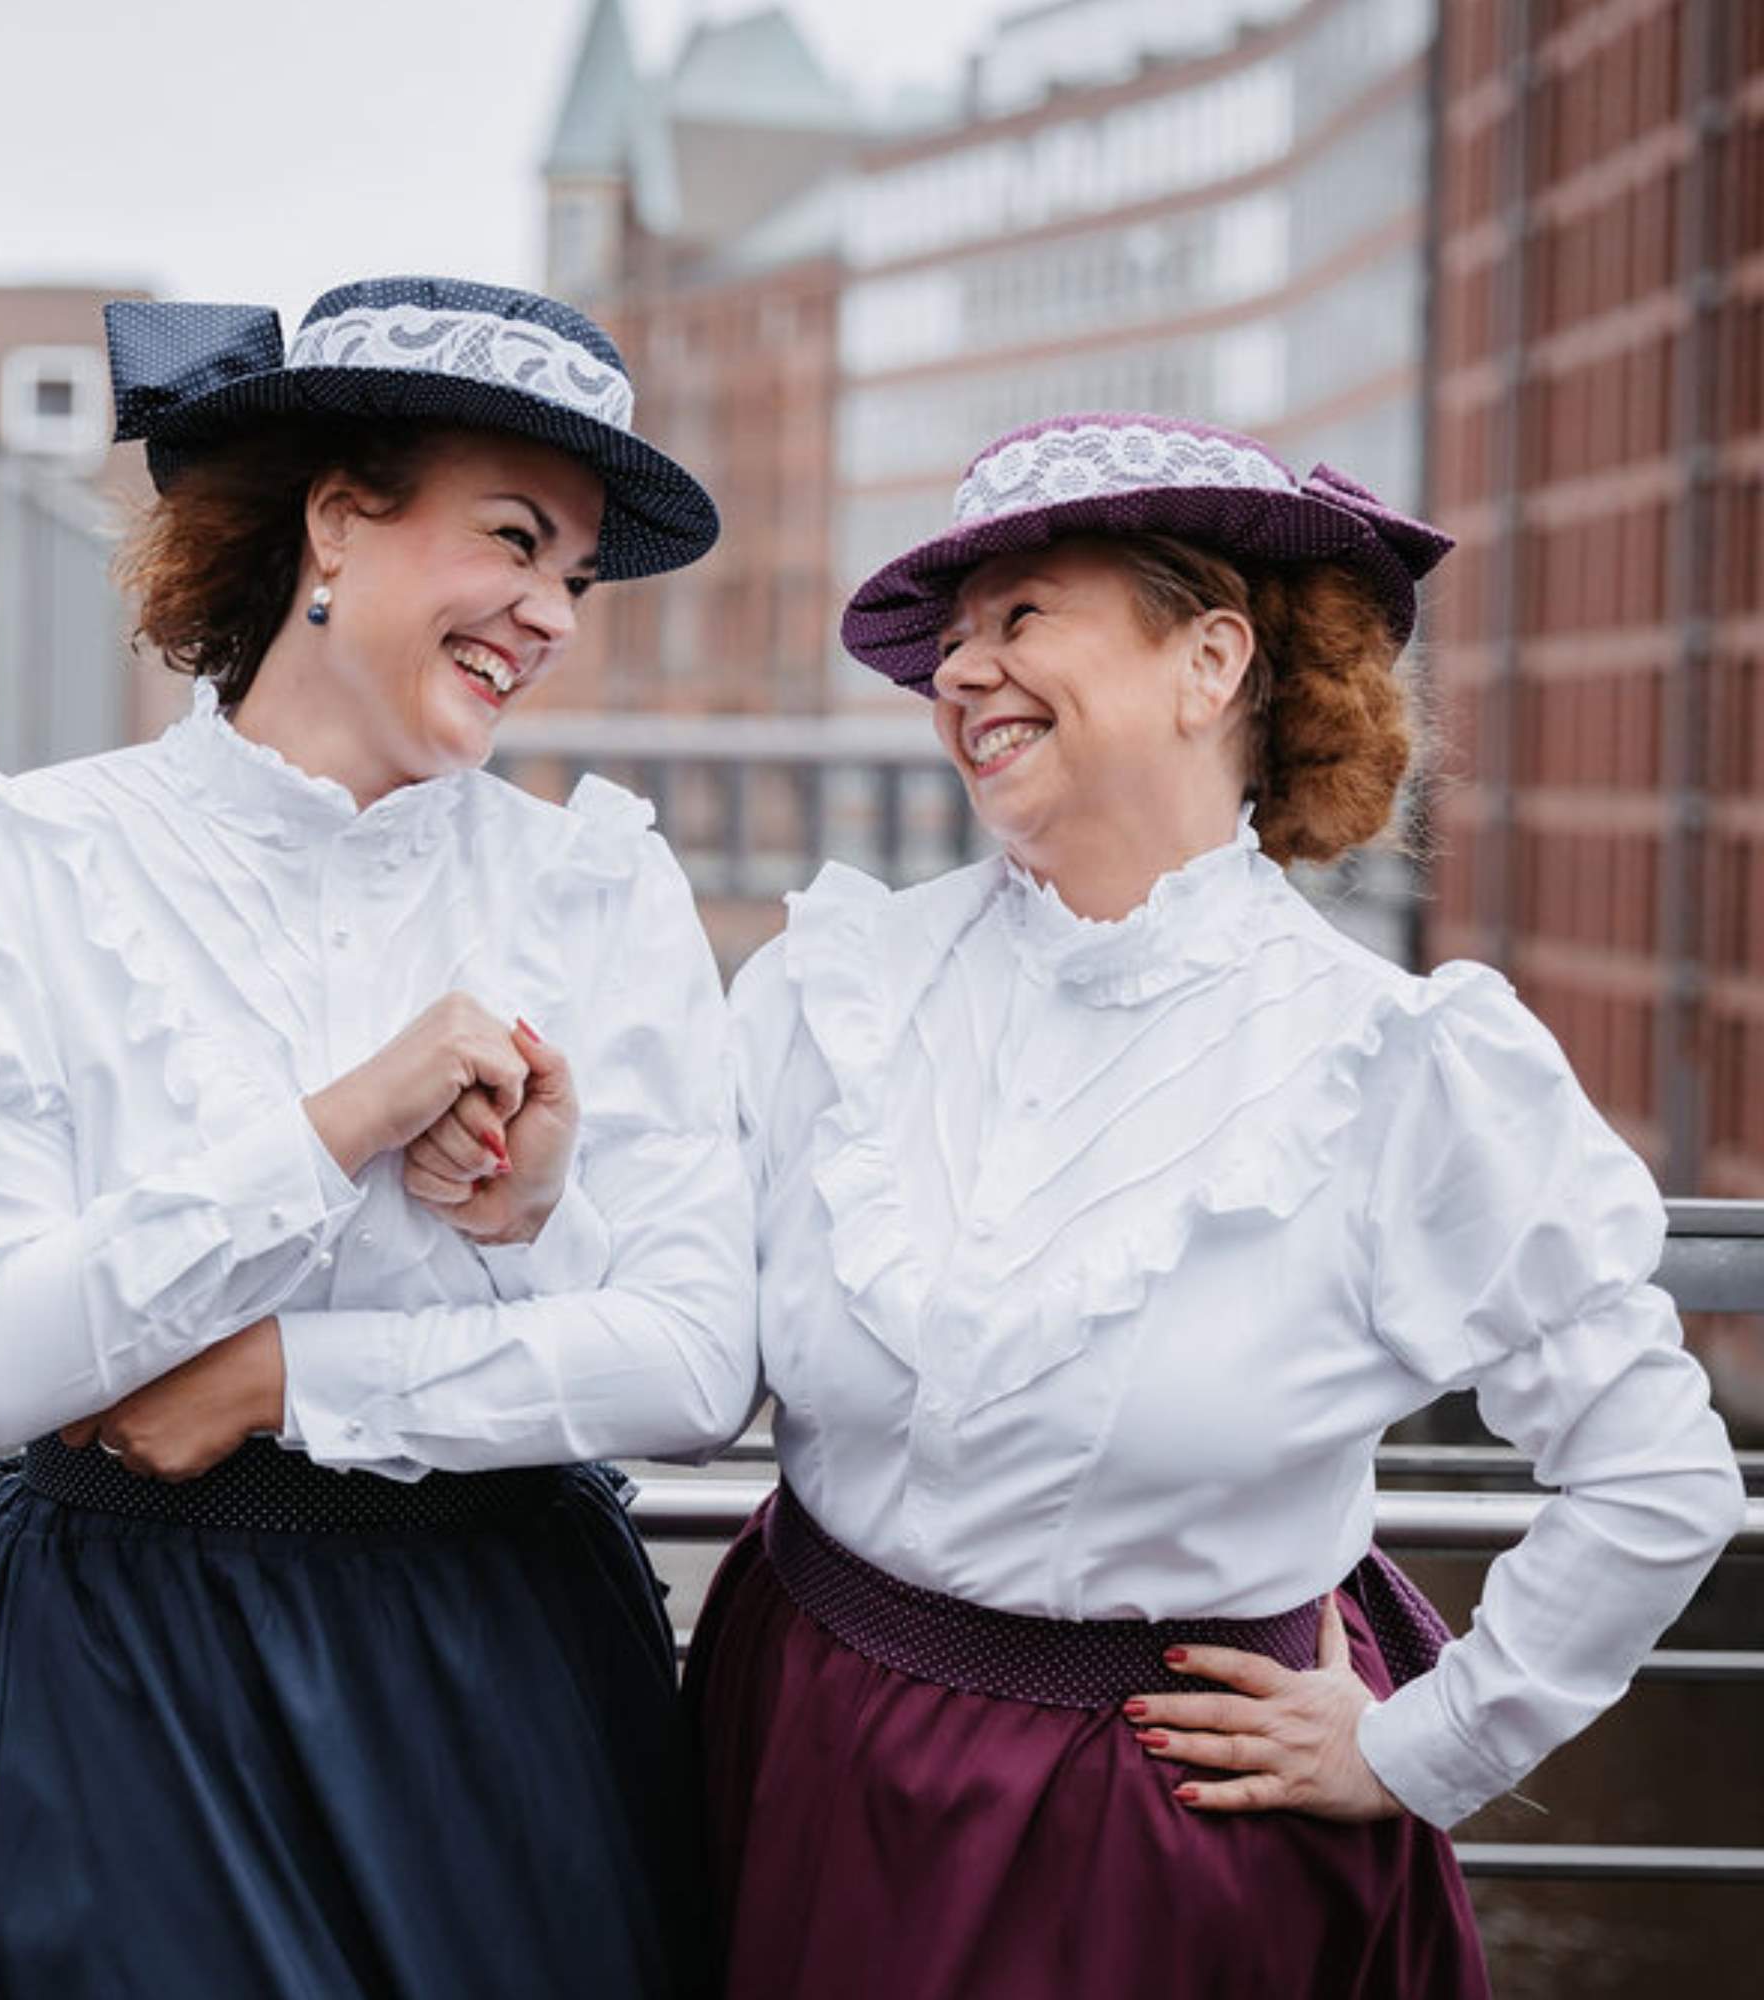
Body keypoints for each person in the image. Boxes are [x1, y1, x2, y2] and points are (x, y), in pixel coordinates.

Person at [684, 411, 1746, 1998]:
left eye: (1022, 617)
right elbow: (675, 1324)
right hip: (800, 1756)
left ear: (1212, 664)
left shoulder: (1394, 1067)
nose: (959, 673)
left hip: (1166, 1847)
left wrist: (1428, 1745)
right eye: (952, 642)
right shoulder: (829, 991)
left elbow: (1655, 1475)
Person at [0, 275, 755, 1998]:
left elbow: (699, 1363)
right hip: (123, 1673)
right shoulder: (15, 862)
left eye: (574, 575)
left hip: (502, 1658)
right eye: (513, 538)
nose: (552, 615)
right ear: (338, 521)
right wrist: (347, 1119)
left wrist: (299, 1364)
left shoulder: (595, 884)